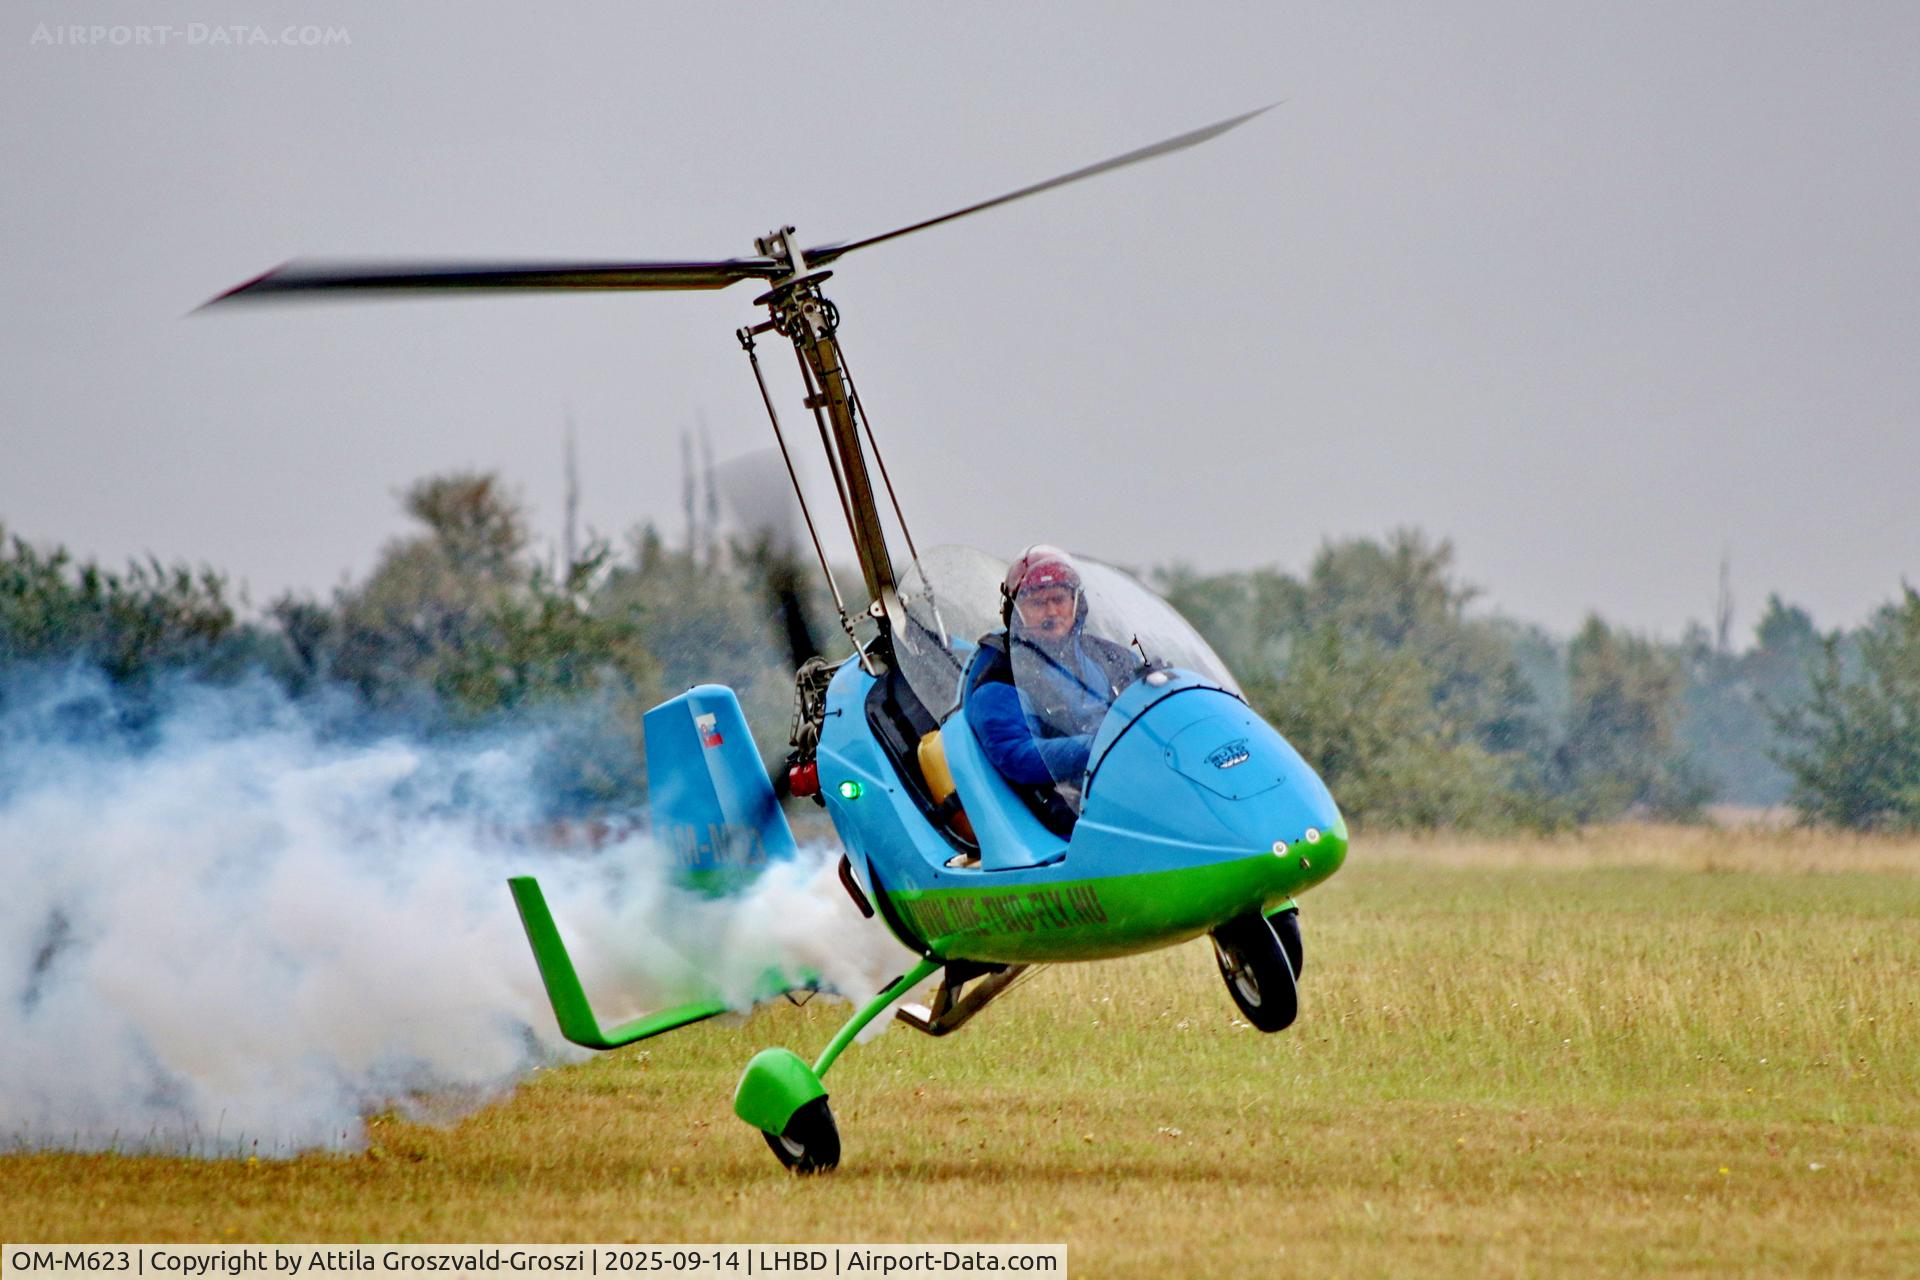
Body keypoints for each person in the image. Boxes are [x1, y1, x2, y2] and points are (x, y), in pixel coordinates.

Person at [964, 545, 1138, 834]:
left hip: (1127, 782)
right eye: (1037, 603)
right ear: (1015, 611)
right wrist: (1102, 747)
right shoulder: (1000, 679)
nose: (1052, 612)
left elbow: (1160, 698)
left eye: (1059, 599)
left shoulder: (1110, 657)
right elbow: (1019, 755)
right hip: (1065, 810)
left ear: (1076, 603)